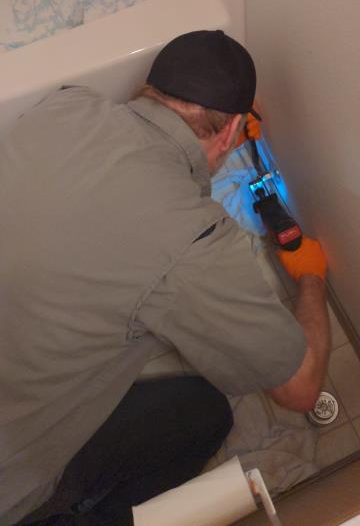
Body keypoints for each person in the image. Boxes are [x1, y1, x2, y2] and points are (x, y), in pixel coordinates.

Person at [0, 30, 330, 526]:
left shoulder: (66, 106)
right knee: (205, 416)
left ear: (151, 88)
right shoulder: (191, 243)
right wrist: (312, 279)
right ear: (231, 131)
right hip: (8, 482)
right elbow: (300, 388)